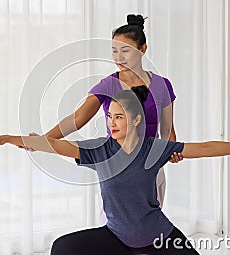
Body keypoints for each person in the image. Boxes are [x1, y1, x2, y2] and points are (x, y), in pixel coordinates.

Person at [0, 86, 230, 255]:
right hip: (116, 237)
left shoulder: (153, 149)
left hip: (158, 237)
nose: (111, 122)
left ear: (137, 120)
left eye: (118, 117)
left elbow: (204, 148)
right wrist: (9, 139)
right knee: (63, 249)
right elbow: (51, 145)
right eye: (109, 117)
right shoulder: (99, 150)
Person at [36, 14, 181, 209]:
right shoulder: (108, 85)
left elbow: (167, 130)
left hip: (150, 166)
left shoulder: (162, 85)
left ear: (142, 49)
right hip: (115, 165)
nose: (118, 57)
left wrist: (172, 153)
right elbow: (78, 118)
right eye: (114, 51)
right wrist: (44, 140)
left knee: (150, 226)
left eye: (125, 51)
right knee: (115, 229)